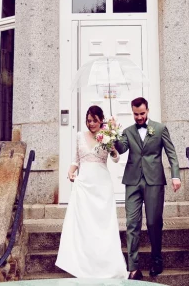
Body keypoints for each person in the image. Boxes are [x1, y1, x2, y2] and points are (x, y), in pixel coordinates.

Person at [54, 105, 127, 279]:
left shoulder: (107, 136)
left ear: (101, 120)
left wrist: (113, 148)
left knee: (102, 225)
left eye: (94, 120)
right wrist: (71, 171)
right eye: (88, 120)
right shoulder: (80, 136)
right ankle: (84, 264)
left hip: (102, 185)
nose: (91, 123)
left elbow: (116, 159)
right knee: (85, 224)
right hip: (84, 184)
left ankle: (105, 265)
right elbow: (76, 160)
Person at [114, 97, 181, 280]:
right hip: (132, 181)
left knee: (153, 222)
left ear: (148, 111)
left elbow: (171, 152)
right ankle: (133, 268)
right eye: (136, 114)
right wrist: (113, 133)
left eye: (142, 113)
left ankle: (156, 260)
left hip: (154, 181)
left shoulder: (159, 129)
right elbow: (120, 149)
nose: (139, 117)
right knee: (132, 223)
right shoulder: (127, 132)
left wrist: (175, 175)